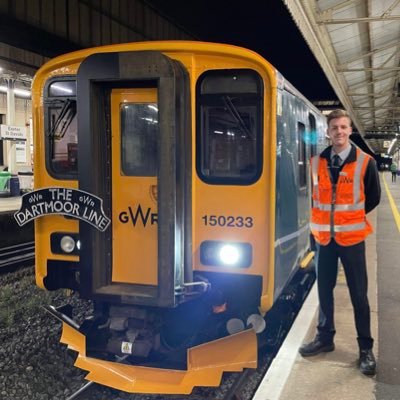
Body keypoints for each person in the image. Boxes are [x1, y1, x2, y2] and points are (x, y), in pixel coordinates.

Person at [299, 109, 381, 376]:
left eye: (344, 127)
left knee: (359, 295)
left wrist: (348, 219)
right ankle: (325, 338)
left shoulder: (365, 162)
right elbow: (316, 198)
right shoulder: (316, 163)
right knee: (324, 291)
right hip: (324, 240)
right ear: (328, 131)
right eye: (334, 128)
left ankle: (365, 349)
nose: (339, 132)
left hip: (352, 239)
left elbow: (373, 198)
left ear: (350, 130)